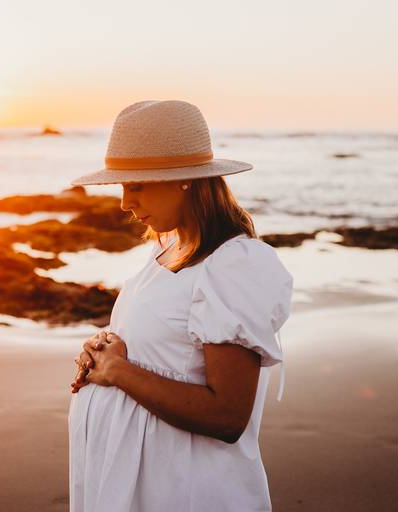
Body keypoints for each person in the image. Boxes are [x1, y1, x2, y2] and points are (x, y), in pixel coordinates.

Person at [67, 100, 294, 512]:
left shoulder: (233, 266)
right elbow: (162, 344)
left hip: (184, 490)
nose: (124, 202)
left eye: (136, 185)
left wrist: (118, 371)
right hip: (137, 481)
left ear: (184, 180)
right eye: (121, 185)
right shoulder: (170, 247)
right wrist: (103, 349)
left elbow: (227, 416)